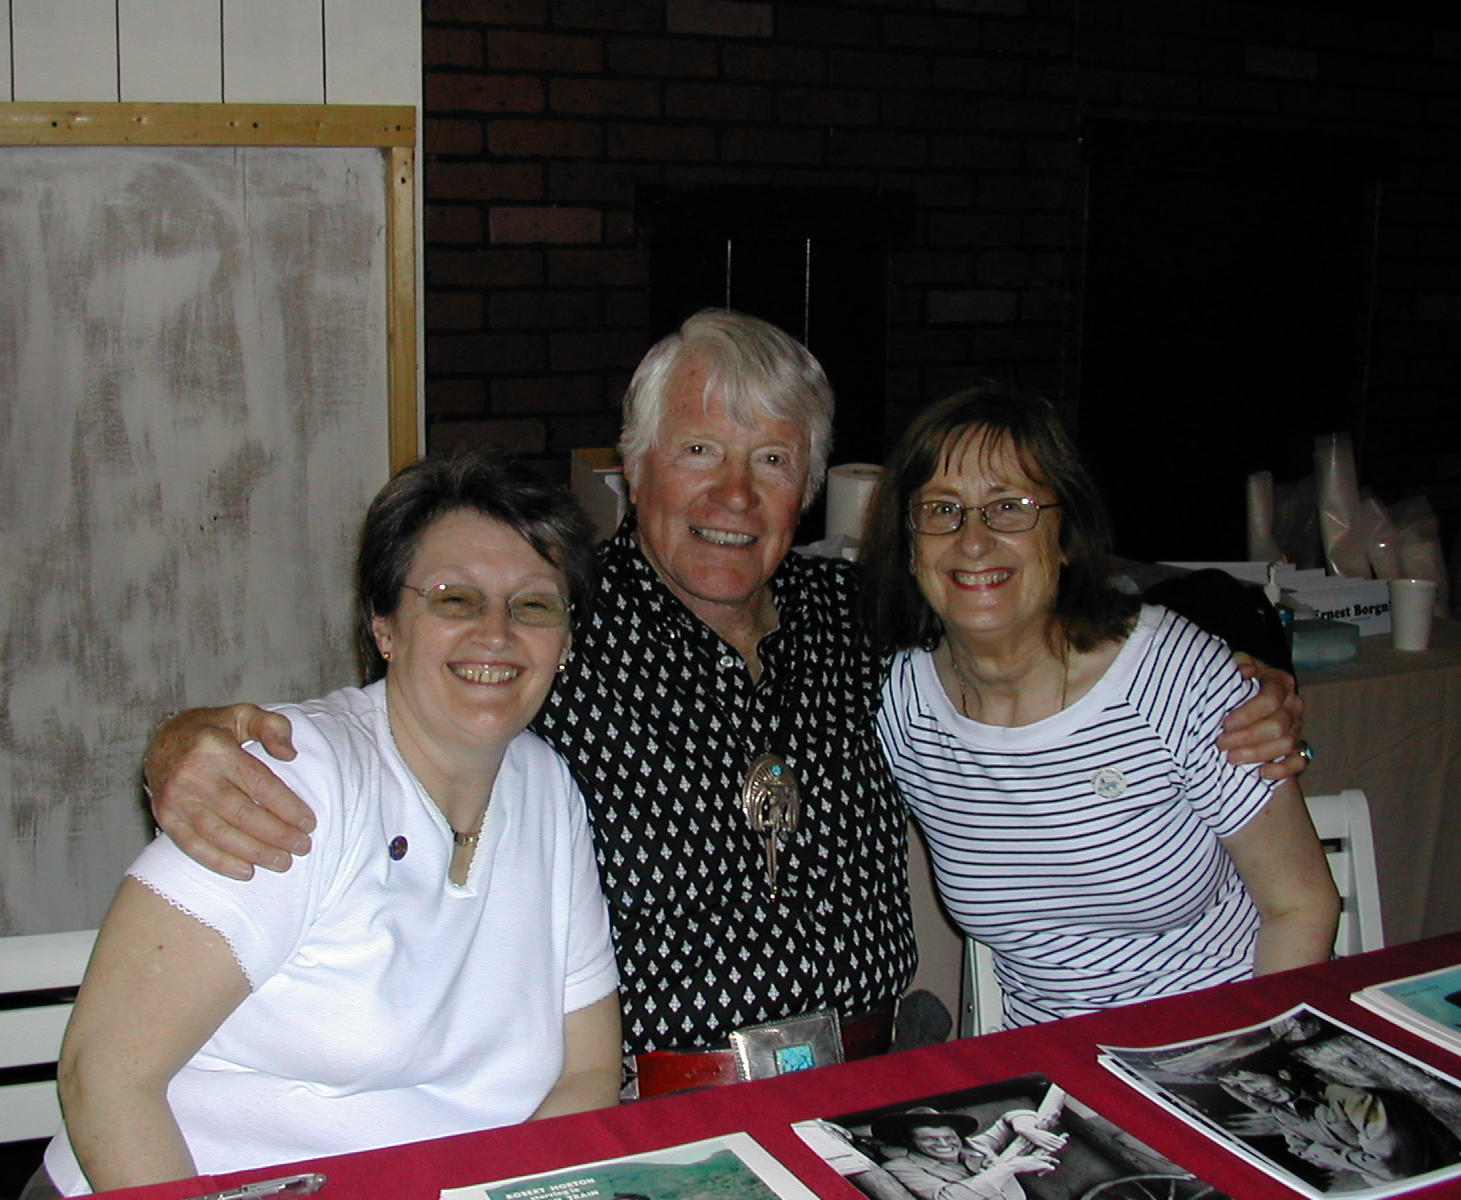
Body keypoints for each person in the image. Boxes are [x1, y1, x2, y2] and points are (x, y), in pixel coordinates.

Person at [141, 313, 1306, 1086]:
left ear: (814, 489)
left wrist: (1245, 668)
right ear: (631, 469)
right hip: (652, 1097)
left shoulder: (867, 619)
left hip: (869, 1081)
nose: (735, 496)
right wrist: (193, 743)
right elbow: (396, 705)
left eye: (775, 459)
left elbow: (1061, 609)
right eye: (699, 451)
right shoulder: (557, 638)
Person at [39, 453, 620, 1195]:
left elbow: (588, 1069)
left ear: (566, 642)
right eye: (453, 599)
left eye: (534, 605)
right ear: (384, 625)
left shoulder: (548, 790)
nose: (495, 633)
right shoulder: (295, 778)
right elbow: (105, 1076)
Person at [859, 381, 1339, 1028]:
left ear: (1063, 535)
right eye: (943, 510)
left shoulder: (1170, 677)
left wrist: (1255, 1061)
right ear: (910, 543)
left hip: (1223, 1042)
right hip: (1052, 1076)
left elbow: (1302, 905)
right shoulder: (901, 704)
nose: (973, 540)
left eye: (1011, 506)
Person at [1219, 1066, 1461, 1187]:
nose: (1253, 1090)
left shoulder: (1351, 1099)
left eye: (1251, 1080)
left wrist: (1323, 1153)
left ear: (1282, 1074)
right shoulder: (1287, 1112)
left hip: (1438, 1181)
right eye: (1243, 1088)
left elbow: (1390, 1167)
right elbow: (1298, 1149)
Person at [870, 1106, 1065, 1200]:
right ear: (909, 1141)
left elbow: (1012, 1116)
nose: (944, 1144)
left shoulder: (978, 1147)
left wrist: (1027, 1130)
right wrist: (1012, 1167)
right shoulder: (900, 1167)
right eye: (930, 1139)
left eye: (949, 1136)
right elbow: (949, 1198)